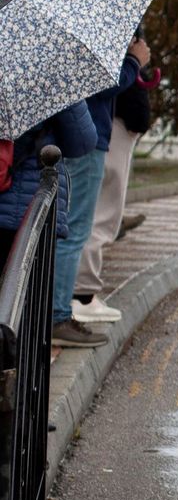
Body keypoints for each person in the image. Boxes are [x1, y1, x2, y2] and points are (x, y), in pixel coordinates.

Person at [54, 32, 144, 345]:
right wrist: (134, 62)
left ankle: (57, 311)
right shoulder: (90, 30)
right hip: (86, 137)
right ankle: (57, 316)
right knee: (75, 230)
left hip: (73, 137)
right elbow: (102, 83)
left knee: (68, 228)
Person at [74, 43, 160, 324]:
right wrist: (134, 61)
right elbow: (105, 82)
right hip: (109, 125)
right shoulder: (98, 29)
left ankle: (78, 295)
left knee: (96, 214)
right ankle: (81, 296)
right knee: (98, 216)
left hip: (111, 123)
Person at [3, 102, 98, 346]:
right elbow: (84, 141)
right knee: (20, 303)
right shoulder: (48, 78)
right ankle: (13, 373)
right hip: (25, 206)